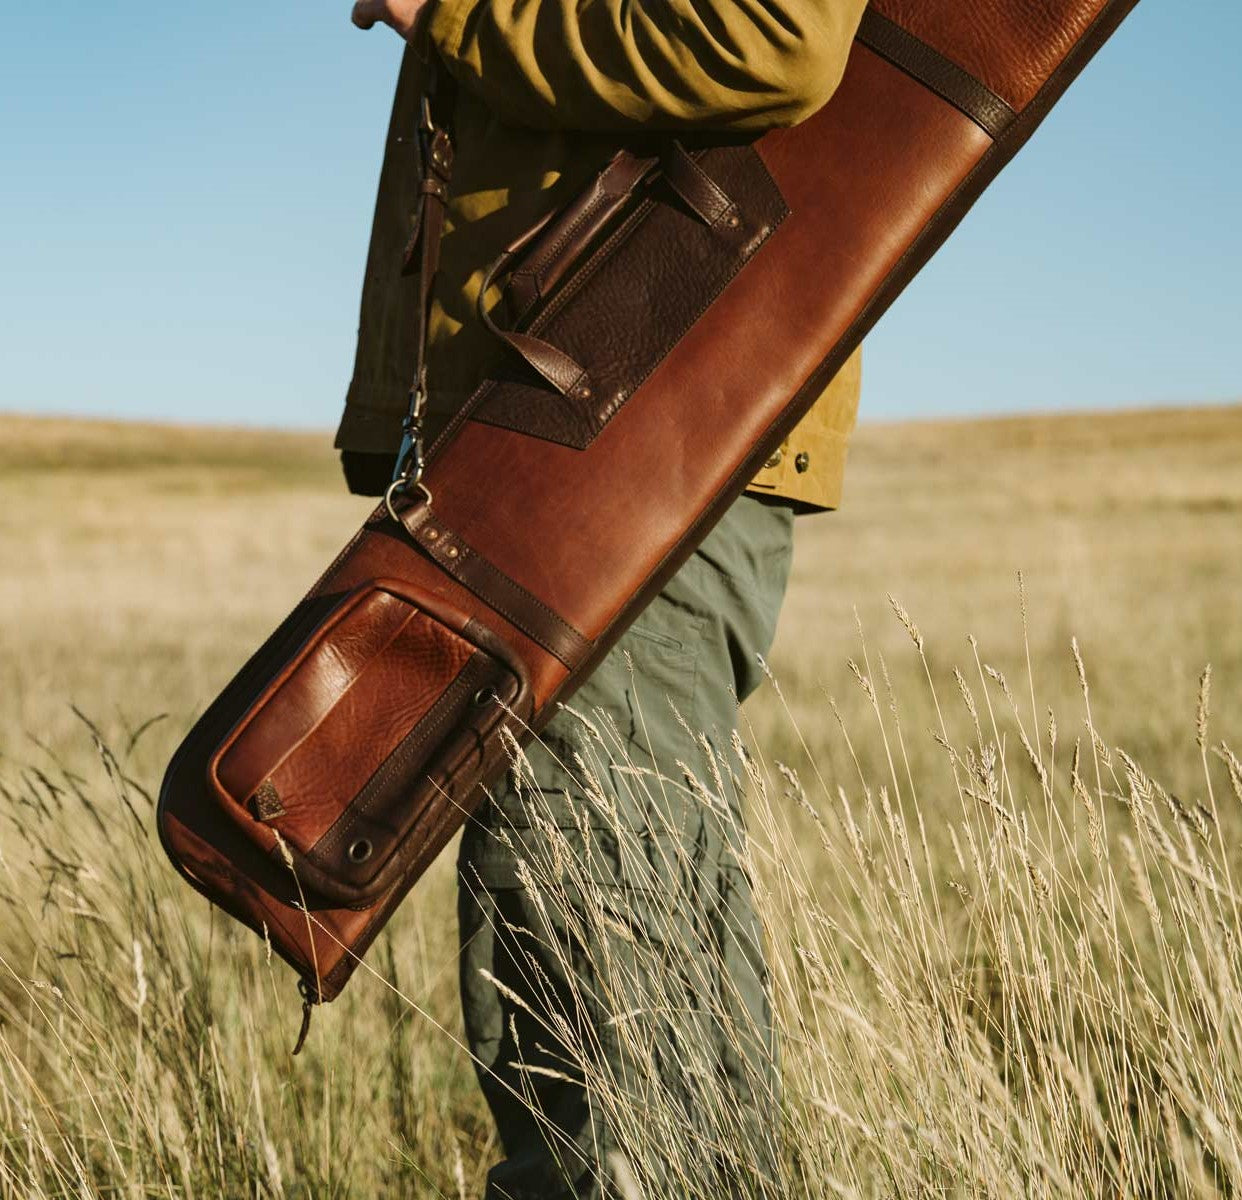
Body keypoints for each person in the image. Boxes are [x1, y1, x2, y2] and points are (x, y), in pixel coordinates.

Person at [339, 1, 866, 1194]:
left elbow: (772, 37)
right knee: (592, 973)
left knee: (611, 1005)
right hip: (564, 426)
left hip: (631, 432)